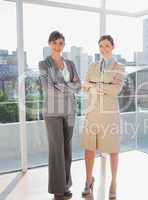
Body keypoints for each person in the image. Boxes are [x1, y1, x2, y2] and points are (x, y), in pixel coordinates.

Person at [80, 35, 124, 199]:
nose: (104, 48)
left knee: (113, 150)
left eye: (107, 45)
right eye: (101, 46)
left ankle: (113, 182)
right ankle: (88, 179)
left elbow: (116, 90)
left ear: (113, 47)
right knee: (89, 147)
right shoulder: (92, 66)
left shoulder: (119, 67)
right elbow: (84, 86)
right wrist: (103, 86)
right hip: (92, 113)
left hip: (110, 115)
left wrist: (95, 85)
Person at [39, 31, 81, 200]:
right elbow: (47, 88)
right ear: (50, 44)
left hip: (70, 110)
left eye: (61, 43)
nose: (58, 46)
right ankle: (58, 189)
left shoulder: (70, 64)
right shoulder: (44, 64)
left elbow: (78, 85)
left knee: (67, 148)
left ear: (64, 45)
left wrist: (60, 85)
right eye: (55, 43)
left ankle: (65, 185)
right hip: (52, 112)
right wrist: (68, 87)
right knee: (57, 149)